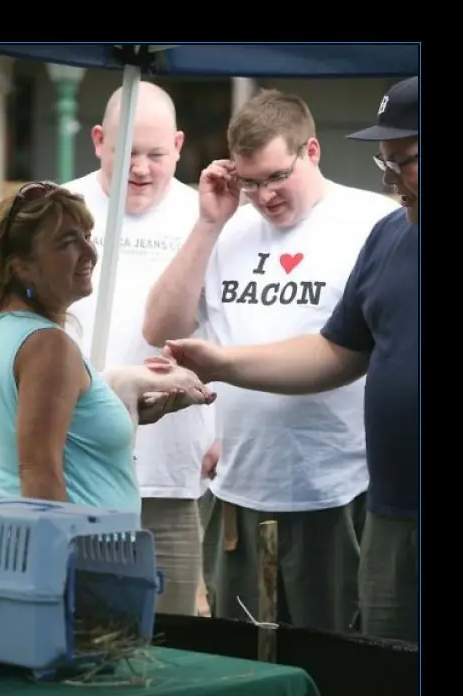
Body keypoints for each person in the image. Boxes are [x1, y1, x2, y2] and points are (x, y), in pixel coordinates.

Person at [158, 76, 419, 643]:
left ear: (311, 151)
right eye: (387, 163)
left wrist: (227, 363)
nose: (394, 178)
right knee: (370, 667)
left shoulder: (365, 220)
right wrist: (223, 362)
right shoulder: (389, 236)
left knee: (339, 653)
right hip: (364, 504)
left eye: (409, 161)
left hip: (341, 490)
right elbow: (335, 352)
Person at [0, 182, 214, 510]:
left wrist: (112, 408)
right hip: (80, 541)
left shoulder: (2, 327)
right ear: (21, 266)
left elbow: (54, 428)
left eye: (87, 236)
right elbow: (38, 474)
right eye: (67, 242)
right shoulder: (46, 345)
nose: (90, 253)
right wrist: (60, 543)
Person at [62, 82, 216, 616]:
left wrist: (228, 431)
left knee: (171, 633)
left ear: (178, 145)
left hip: (170, 474)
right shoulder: (56, 209)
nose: (141, 169)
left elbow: (237, 331)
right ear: (98, 140)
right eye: (126, 151)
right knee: (79, 625)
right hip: (71, 466)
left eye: (156, 154)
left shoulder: (208, 215)